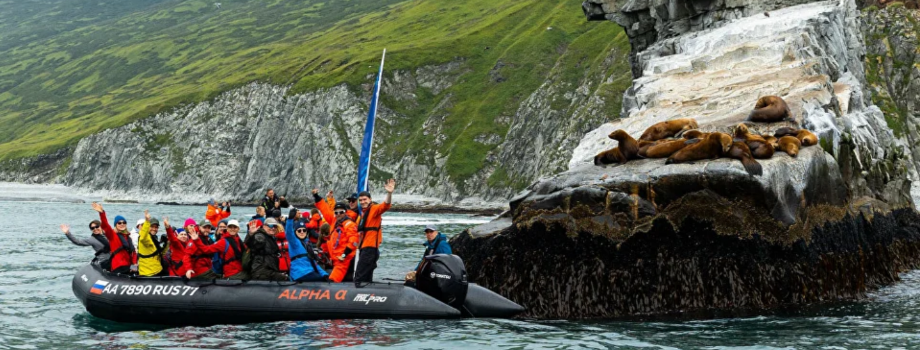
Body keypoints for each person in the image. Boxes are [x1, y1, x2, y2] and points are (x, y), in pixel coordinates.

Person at [353, 179, 396, 283]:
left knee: (359, 276)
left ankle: (358, 294)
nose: (363, 202)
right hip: (364, 249)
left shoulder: (374, 209)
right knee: (366, 277)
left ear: (370, 199)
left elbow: (385, 205)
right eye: (361, 200)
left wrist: (389, 193)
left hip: (370, 249)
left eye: (365, 199)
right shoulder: (361, 215)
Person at [314, 189, 358, 283]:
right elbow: (325, 210)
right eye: (336, 212)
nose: (338, 214)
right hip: (335, 259)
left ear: (345, 212)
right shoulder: (335, 221)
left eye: (341, 212)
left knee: (332, 281)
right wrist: (316, 197)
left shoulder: (349, 224)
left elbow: (354, 241)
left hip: (343, 260)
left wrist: (344, 254)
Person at [91, 202, 137, 274]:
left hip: (128, 265)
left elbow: (133, 252)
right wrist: (102, 213)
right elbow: (105, 226)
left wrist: (134, 264)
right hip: (118, 266)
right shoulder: (112, 235)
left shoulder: (128, 237)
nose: (122, 224)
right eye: (119, 223)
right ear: (116, 225)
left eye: (123, 222)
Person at [284, 209, 329, 281]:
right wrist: (290, 219)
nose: (302, 232)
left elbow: (314, 263)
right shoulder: (294, 242)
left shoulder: (307, 244)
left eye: (304, 230)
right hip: (299, 273)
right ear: (295, 232)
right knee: (320, 280)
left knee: (325, 278)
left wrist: (324, 274)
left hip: (309, 271)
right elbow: (289, 233)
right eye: (299, 230)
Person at [136, 210, 165, 276]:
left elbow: (161, 254)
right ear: (147, 226)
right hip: (148, 273)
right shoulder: (144, 237)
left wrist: (166, 243)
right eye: (152, 227)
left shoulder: (154, 238)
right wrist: (147, 221)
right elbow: (143, 237)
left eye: (156, 227)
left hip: (157, 269)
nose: (154, 229)